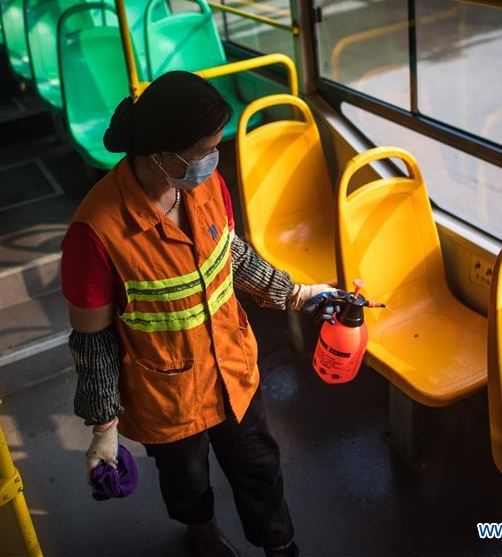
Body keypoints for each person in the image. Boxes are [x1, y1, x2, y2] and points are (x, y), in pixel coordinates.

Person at [60, 71, 338, 557]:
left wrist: (294, 294)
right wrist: (103, 428)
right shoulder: (96, 231)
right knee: (186, 482)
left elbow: (231, 254)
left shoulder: (207, 188)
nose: (214, 159)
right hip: (168, 393)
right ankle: (202, 532)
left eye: (216, 146)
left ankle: (281, 547)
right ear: (161, 154)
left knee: (260, 469)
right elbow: (94, 341)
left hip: (233, 369)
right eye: (205, 149)